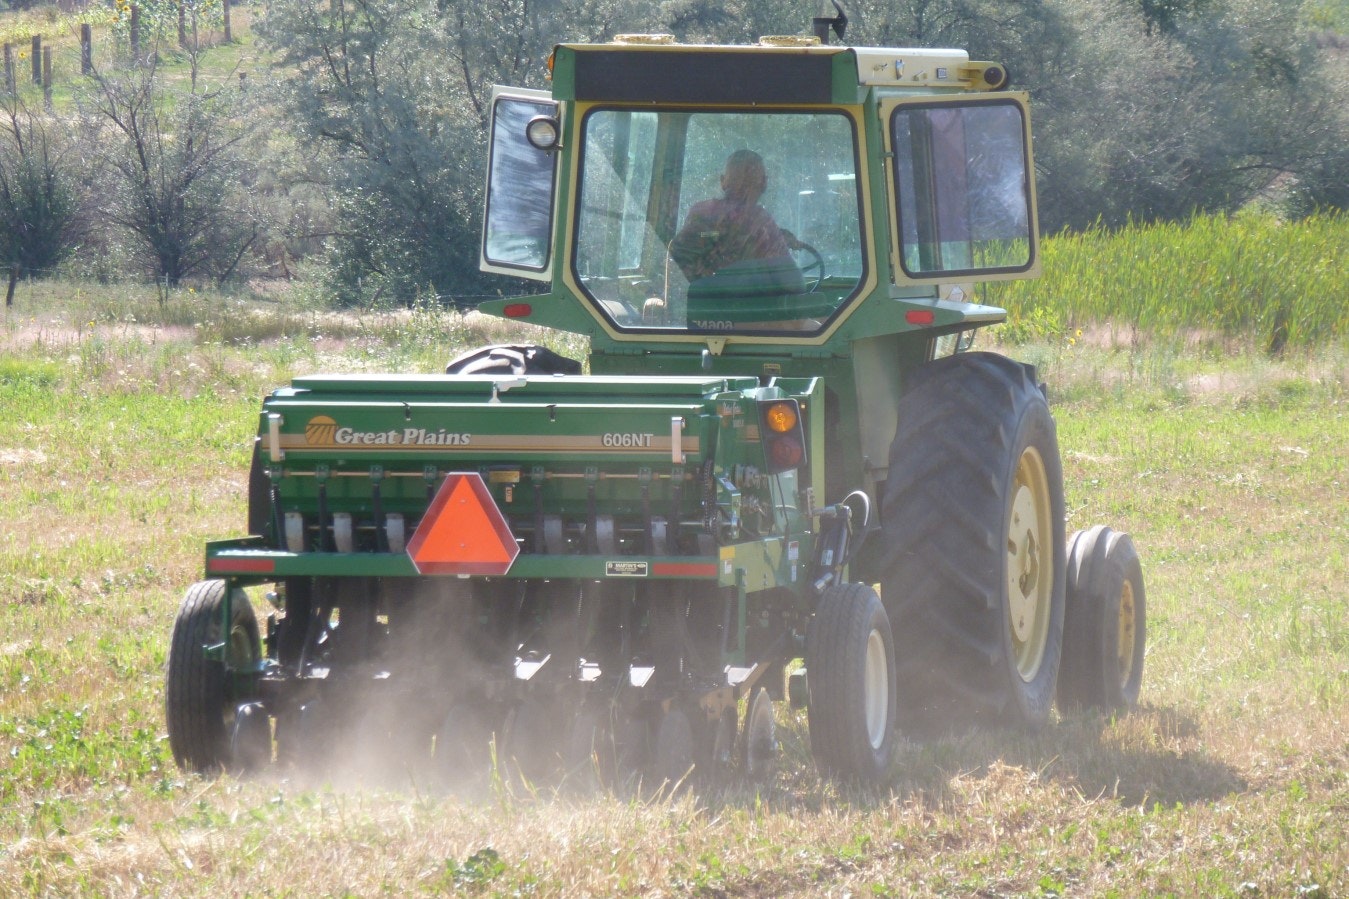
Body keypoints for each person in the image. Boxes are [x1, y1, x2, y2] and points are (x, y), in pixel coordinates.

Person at [668, 149, 804, 294]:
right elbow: (795, 285)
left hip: (701, 311)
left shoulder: (700, 212)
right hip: (754, 313)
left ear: (723, 182)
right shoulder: (763, 223)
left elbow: (677, 271)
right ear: (764, 183)